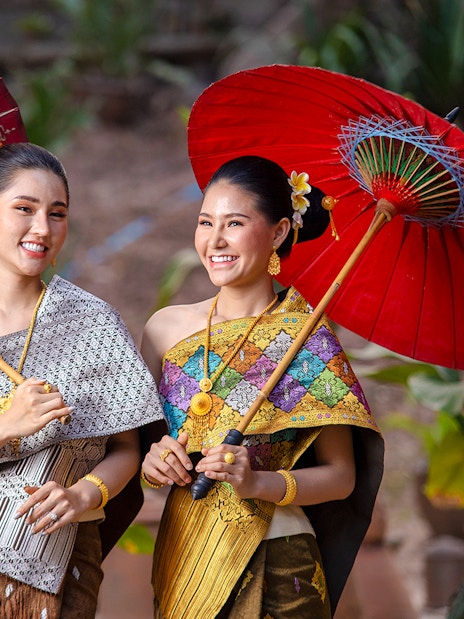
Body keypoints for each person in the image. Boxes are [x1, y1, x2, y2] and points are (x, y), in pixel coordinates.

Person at [141, 155, 384, 618]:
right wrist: (155, 461)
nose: (214, 241)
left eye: (234, 223)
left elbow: (341, 476)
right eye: (205, 222)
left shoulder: (305, 338)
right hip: (185, 556)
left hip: (278, 559)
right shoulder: (164, 329)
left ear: (277, 232)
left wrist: (258, 482)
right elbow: (137, 450)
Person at [0, 141, 164, 618]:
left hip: (59, 562)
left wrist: (81, 494)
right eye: (24, 209)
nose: (41, 228)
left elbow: (126, 450)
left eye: (57, 213)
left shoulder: (92, 324)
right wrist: (8, 423)